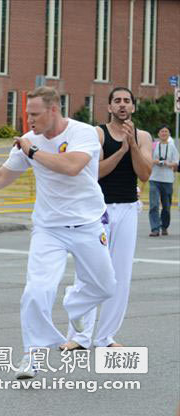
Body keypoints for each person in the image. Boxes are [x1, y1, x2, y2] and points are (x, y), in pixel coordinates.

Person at [0, 86, 116, 379]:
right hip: (49, 228)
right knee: (37, 291)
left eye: (35, 114)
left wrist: (33, 151)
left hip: (88, 224)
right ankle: (31, 357)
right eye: (27, 114)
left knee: (105, 287)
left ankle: (74, 305)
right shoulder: (29, 141)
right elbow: (3, 175)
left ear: (54, 110)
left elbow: (72, 167)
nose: (30, 120)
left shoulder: (83, 133)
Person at [62, 87, 153, 351]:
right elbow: (95, 172)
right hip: (97, 210)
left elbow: (145, 173)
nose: (122, 105)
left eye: (127, 101)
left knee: (120, 275)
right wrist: (121, 151)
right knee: (91, 271)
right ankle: (78, 337)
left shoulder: (143, 136)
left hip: (127, 209)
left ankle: (105, 338)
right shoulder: (97, 133)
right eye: (117, 101)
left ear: (133, 107)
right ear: (109, 107)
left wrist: (133, 145)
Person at [149, 125, 178, 236]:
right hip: (154, 179)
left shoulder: (172, 147)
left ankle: (164, 226)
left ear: (169, 134)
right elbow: (148, 158)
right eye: (162, 131)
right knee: (154, 205)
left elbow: (176, 162)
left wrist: (167, 163)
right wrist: (155, 161)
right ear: (158, 134)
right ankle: (155, 229)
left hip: (167, 180)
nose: (164, 133)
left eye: (166, 131)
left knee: (166, 206)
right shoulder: (154, 146)